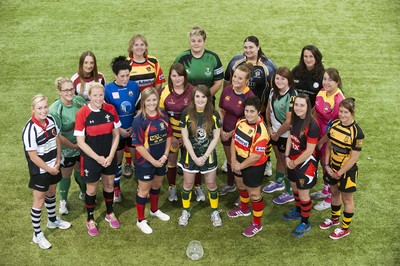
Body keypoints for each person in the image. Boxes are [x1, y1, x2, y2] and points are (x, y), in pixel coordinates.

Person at [174, 26, 224, 200]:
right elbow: (176, 78)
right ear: (189, 41)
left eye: (199, 40)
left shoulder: (213, 58)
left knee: (204, 137)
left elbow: (218, 81)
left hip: (207, 104)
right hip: (187, 106)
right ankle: (187, 167)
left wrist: (203, 97)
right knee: (189, 137)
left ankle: (202, 179)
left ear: (204, 41)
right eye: (193, 40)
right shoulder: (182, 57)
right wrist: (192, 99)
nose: (196, 43)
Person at [23, 94, 71, 249]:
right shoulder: (30, 129)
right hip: (41, 171)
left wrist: (57, 160)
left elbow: (56, 138)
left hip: (54, 166)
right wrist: (49, 168)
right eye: (39, 108)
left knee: (51, 193)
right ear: (33, 109)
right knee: (39, 201)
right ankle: (37, 234)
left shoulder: (50, 120)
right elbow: (33, 156)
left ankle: (52, 221)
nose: (43, 111)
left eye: (45, 107)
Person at [224, 35, 277, 177]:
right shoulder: (236, 62)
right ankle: (232, 158)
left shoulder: (268, 66)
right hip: (240, 105)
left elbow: (273, 88)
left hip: (260, 108)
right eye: (245, 47)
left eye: (251, 47)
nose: (248, 50)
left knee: (261, 136)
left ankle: (267, 161)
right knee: (240, 134)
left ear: (258, 47)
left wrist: (266, 108)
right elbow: (228, 81)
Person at [74, 82, 121, 236]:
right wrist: (98, 158)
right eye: (95, 95)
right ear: (89, 95)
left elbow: (116, 134)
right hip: (91, 158)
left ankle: (109, 213)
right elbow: (81, 142)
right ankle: (90, 219)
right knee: (91, 189)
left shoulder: (111, 109)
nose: (98, 98)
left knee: (109, 184)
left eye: (101, 95)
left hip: (109, 156)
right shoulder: (82, 113)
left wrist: (111, 155)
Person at [319, 98, 364, 240]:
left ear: (352, 112)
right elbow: (329, 146)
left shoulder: (357, 132)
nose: (342, 115)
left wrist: (340, 172)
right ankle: (334, 219)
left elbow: (353, 158)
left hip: (347, 171)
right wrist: (327, 165)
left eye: (346, 112)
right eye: (341, 111)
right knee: (334, 193)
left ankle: (345, 228)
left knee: (347, 199)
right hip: (332, 167)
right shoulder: (334, 124)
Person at [178, 85, 222, 227]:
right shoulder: (186, 113)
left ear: (208, 98)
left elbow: (216, 137)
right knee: (188, 184)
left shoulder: (214, 114)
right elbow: (185, 138)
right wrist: (195, 157)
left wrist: (204, 156)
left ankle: (214, 211)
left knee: (211, 184)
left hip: (208, 156)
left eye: (203, 96)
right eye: (197, 96)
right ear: (193, 98)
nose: (200, 99)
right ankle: (185, 211)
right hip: (190, 156)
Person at [227, 96, 269, 237]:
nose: (249, 114)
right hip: (238, 161)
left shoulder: (261, 132)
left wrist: (240, 166)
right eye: (247, 111)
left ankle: (257, 223)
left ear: (258, 112)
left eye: (252, 111)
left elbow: (256, 156)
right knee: (240, 186)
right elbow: (234, 140)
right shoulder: (241, 122)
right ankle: (244, 208)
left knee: (254, 194)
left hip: (253, 166)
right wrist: (233, 159)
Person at [131, 87, 172, 234]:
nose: (151, 103)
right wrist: (153, 161)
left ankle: (154, 210)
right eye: (148, 100)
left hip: (161, 159)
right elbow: (138, 146)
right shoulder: (139, 120)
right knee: (144, 190)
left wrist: (165, 155)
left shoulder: (164, 115)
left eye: (154, 99)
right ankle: (140, 220)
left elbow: (168, 136)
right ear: (143, 102)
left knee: (157, 185)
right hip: (145, 163)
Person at [125, 34, 166, 177]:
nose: (139, 47)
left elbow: (159, 83)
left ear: (146, 47)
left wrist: (152, 99)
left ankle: (145, 160)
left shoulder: (153, 61)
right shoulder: (126, 63)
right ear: (131, 47)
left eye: (142, 45)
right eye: (136, 45)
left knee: (148, 134)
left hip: (150, 105)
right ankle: (130, 162)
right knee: (132, 136)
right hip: (133, 107)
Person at [104, 56, 141, 203]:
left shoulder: (134, 87)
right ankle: (116, 190)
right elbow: (108, 114)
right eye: (122, 76)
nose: (125, 79)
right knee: (117, 162)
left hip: (133, 130)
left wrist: (134, 124)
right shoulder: (107, 89)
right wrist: (119, 130)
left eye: (127, 75)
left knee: (137, 161)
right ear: (115, 75)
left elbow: (138, 109)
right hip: (117, 133)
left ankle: (141, 187)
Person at [282, 94, 319, 237]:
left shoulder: (312, 125)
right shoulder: (294, 119)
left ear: (308, 107)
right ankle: (298, 211)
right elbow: (291, 139)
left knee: (304, 194)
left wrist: (294, 162)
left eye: (302, 105)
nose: (298, 108)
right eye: (296, 105)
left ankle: (305, 222)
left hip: (306, 164)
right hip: (291, 160)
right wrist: (286, 156)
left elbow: (310, 150)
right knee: (294, 188)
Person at [49, 77, 87, 215]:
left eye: (71, 89)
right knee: (66, 173)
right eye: (66, 90)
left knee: (81, 170)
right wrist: (75, 146)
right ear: (59, 91)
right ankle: (63, 201)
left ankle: (84, 193)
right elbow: (58, 136)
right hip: (66, 148)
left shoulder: (80, 101)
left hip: (82, 145)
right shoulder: (55, 110)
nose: (70, 92)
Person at [262, 67, 297, 205]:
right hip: (274, 132)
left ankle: (289, 192)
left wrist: (277, 134)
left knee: (286, 161)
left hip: (286, 134)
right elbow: (268, 110)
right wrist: (270, 127)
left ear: (289, 80)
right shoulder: (272, 91)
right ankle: (279, 181)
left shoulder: (292, 95)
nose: (279, 81)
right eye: (277, 78)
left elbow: (289, 121)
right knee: (279, 158)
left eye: (283, 79)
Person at [159, 63, 194, 202]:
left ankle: (196, 187)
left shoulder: (192, 91)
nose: (177, 78)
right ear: (170, 77)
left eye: (180, 75)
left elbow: (196, 115)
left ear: (185, 76)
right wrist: (171, 135)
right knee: (172, 161)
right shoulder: (165, 92)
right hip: (172, 135)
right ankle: (172, 188)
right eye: (174, 76)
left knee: (190, 161)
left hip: (189, 134)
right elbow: (162, 116)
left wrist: (188, 136)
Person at [218, 64, 255, 196]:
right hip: (225, 132)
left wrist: (232, 133)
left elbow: (248, 120)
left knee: (240, 163)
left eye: (240, 78)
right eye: (234, 76)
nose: (236, 80)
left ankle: (244, 193)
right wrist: (222, 130)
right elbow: (221, 110)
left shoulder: (249, 96)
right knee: (230, 160)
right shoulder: (227, 89)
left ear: (247, 80)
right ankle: (230, 184)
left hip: (241, 136)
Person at [312, 68, 345, 211]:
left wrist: (322, 141)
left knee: (328, 165)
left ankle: (331, 197)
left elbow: (334, 126)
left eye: (330, 80)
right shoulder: (322, 91)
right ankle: (325, 190)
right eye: (325, 78)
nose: (326, 82)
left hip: (329, 137)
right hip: (319, 132)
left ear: (337, 82)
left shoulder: (338, 100)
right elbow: (315, 109)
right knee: (322, 163)